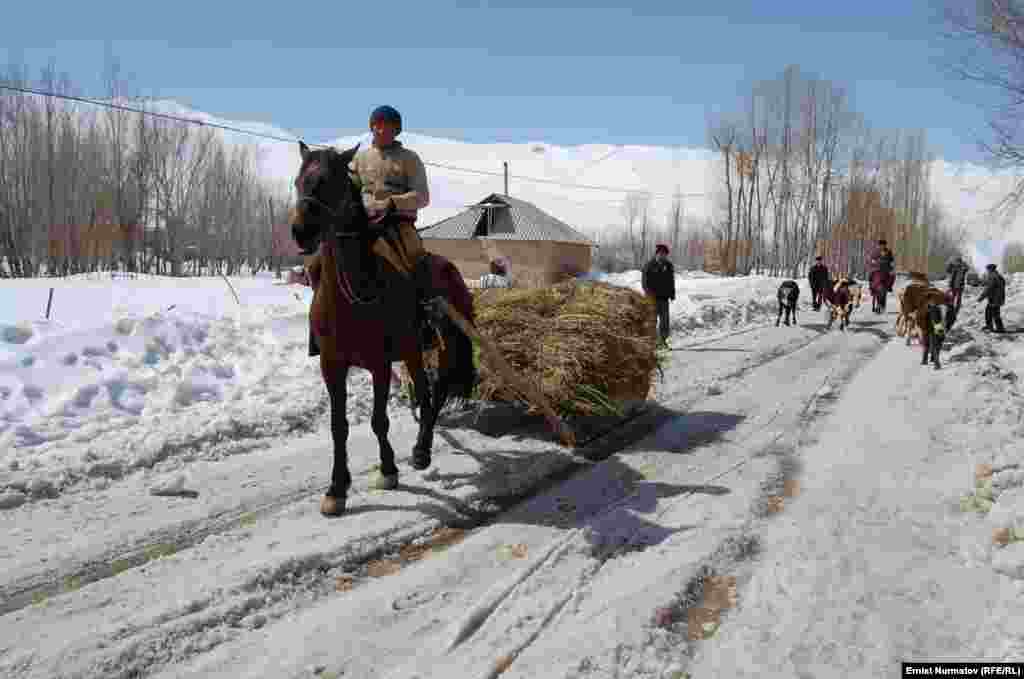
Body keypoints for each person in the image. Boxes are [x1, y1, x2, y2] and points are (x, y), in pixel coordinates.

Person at [307, 105, 433, 356]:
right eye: (377, 124)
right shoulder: (360, 159)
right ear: (371, 126)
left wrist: (393, 202)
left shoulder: (410, 158)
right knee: (317, 263)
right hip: (360, 224)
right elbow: (346, 189)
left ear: (397, 129)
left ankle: (425, 322)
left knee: (417, 262)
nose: (382, 129)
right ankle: (320, 328)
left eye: (388, 125)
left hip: (397, 224)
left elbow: (422, 196)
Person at [643, 244, 676, 347]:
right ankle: (651, 343)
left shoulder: (669, 265)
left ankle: (663, 341)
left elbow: (671, 281)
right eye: (661, 254)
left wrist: (672, 293)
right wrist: (648, 293)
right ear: (657, 254)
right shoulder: (649, 265)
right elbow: (644, 282)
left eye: (665, 254)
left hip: (664, 298)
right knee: (652, 321)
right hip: (652, 298)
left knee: (665, 321)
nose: (663, 256)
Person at [978, 262, 1006, 333]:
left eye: (987, 269)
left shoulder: (992, 276)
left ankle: (998, 328)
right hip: (999, 298)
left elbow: (989, 289)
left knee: (993, 313)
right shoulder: (998, 276)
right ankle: (992, 326)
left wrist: (981, 297)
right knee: (990, 312)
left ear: (990, 269)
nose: (987, 271)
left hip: (994, 299)